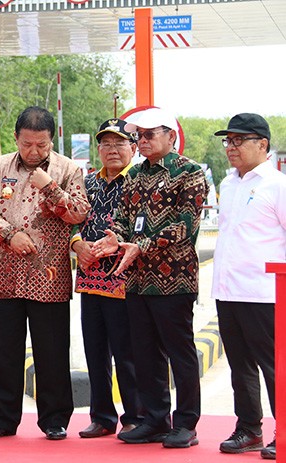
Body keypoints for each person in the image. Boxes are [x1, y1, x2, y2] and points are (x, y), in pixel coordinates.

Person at [91, 107, 208, 449]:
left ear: (171, 136)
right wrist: (115, 238)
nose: (142, 141)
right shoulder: (135, 176)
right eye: (138, 136)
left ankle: (186, 423)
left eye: (149, 134)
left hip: (174, 280)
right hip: (138, 280)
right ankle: (154, 420)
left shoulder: (189, 173)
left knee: (180, 353)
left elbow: (185, 226)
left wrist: (140, 245)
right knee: (144, 354)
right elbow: (122, 219)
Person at [0, 106, 90, 441]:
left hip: (48, 278)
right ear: (16, 138)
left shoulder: (68, 169)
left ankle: (54, 419)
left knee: (52, 351)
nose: (34, 152)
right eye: (27, 144)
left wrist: (50, 186)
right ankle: (2, 418)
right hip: (3, 274)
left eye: (42, 145)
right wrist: (10, 234)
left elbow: (79, 213)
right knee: (2, 352)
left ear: (51, 140)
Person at [211, 113, 281, 459]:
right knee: (240, 366)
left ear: (262, 144)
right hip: (228, 290)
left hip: (264, 292)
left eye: (239, 140)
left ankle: (284, 430)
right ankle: (249, 428)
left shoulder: (277, 185)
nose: (231, 147)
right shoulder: (228, 184)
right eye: (228, 141)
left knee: (274, 367)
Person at [71, 119, 142, 438]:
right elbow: (70, 220)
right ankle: (101, 416)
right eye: (106, 144)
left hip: (126, 281)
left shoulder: (139, 181)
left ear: (133, 148)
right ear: (98, 149)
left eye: (120, 143)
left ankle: (136, 416)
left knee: (128, 354)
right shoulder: (87, 183)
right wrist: (77, 244)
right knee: (95, 351)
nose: (112, 150)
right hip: (90, 280)